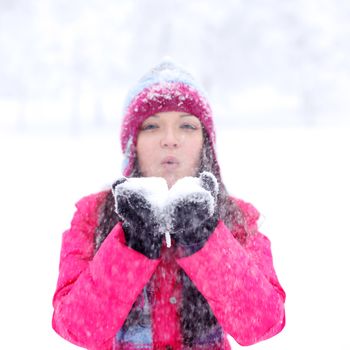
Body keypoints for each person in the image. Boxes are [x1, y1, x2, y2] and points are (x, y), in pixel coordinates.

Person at [52, 60, 286, 350]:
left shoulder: (236, 217)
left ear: (206, 142)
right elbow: (77, 328)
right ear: (131, 143)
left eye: (186, 125)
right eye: (152, 126)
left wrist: (204, 240)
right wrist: (131, 244)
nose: (170, 140)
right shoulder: (94, 214)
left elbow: (262, 323)